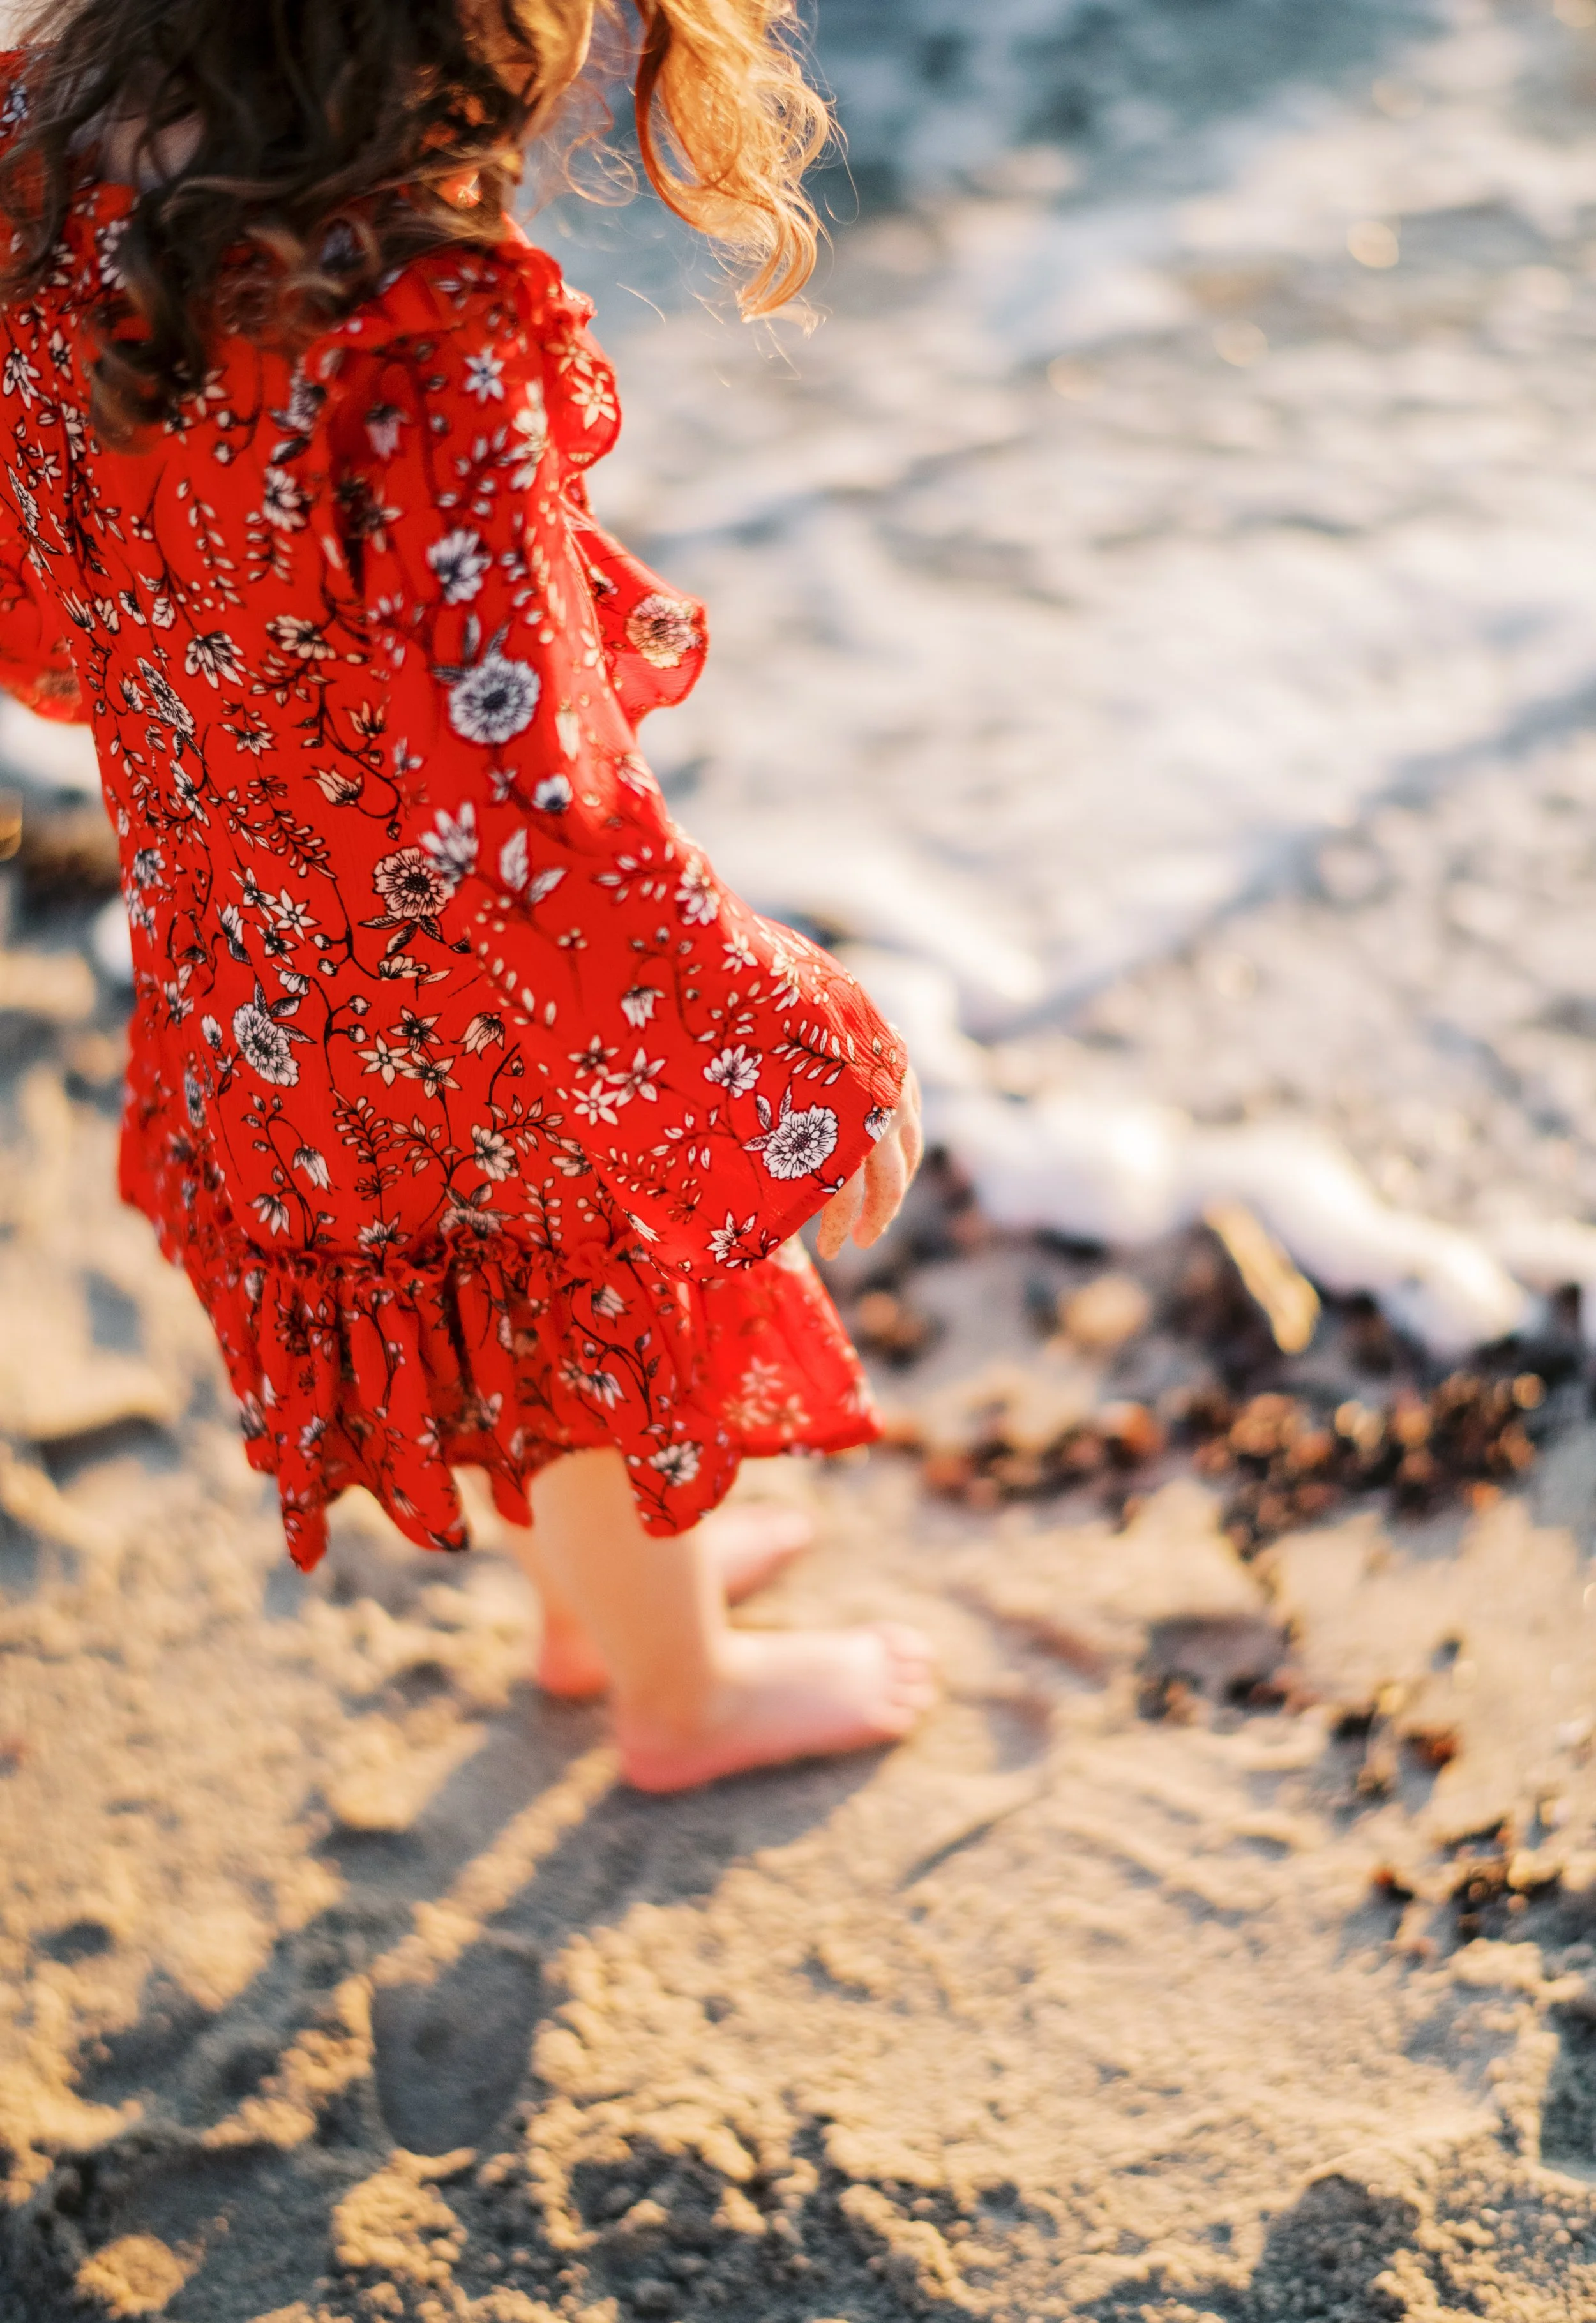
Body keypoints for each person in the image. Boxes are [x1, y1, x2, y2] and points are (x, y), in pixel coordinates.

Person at [0, 0, 935, 1789]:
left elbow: (42, 603)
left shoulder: (40, 169)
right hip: (464, 988)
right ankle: (681, 1692)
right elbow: (542, 829)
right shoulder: (415, 337)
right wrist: (794, 1028)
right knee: (576, 1306)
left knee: (479, 1312)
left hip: (249, 957)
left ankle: (602, 1604)